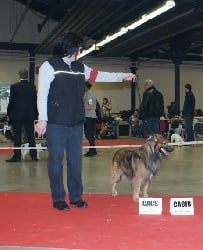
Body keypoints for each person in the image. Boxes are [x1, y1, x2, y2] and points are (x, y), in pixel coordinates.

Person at [35, 32, 136, 211]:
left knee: (75, 162)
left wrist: (122, 75)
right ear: (70, 47)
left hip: (76, 123)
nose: (80, 51)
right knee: (55, 161)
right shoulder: (49, 66)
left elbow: (99, 76)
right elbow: (42, 94)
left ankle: (75, 197)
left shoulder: (80, 67)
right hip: (56, 123)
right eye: (79, 48)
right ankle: (58, 198)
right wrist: (42, 119)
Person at [6, 69, 38, 162]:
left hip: (17, 116)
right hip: (29, 115)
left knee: (17, 136)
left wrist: (8, 113)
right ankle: (33, 156)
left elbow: (11, 102)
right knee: (31, 136)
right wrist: (36, 115)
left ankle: (17, 156)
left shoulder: (14, 87)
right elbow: (34, 102)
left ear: (19, 76)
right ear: (27, 76)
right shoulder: (32, 87)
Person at [83, 81, 97, 157]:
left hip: (90, 117)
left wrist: (81, 107)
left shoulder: (90, 94)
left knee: (89, 134)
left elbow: (90, 106)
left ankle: (92, 150)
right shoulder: (88, 94)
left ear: (86, 86)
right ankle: (92, 150)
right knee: (89, 134)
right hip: (88, 116)